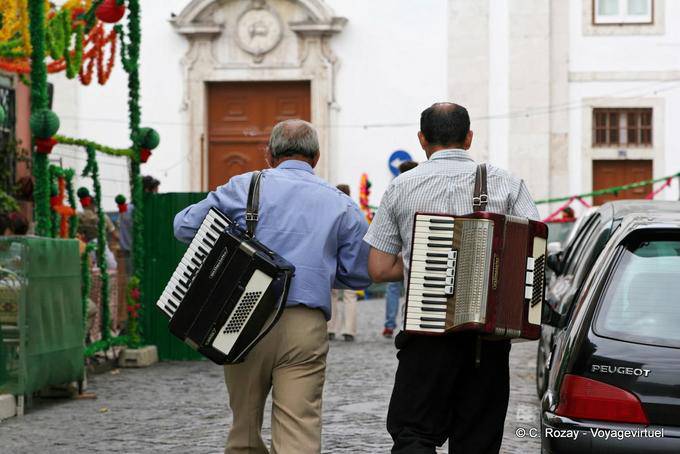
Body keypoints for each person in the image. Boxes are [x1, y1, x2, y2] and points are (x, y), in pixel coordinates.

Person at [173, 119, 371, 454]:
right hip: (304, 324)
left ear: (269, 155)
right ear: (317, 157)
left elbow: (184, 226)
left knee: (245, 431)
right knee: (299, 431)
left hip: (241, 318)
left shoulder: (245, 187)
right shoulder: (342, 203)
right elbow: (358, 274)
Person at [364, 103, 539, 454]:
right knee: (478, 440)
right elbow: (533, 255)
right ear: (469, 138)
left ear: (422, 140)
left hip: (425, 337)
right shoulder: (508, 183)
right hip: (486, 341)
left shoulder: (401, 186)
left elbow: (380, 269)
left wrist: (423, 264)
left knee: (414, 433)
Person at [382, 160, 418, 338]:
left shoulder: (394, 190)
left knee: (393, 289)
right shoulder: (421, 191)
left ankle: (389, 325)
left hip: (397, 252)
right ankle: (412, 323)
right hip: (417, 250)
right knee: (414, 288)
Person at [327, 184, 359, 342]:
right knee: (350, 295)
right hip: (351, 256)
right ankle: (349, 330)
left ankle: (330, 328)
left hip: (333, 253)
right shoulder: (354, 209)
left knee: (331, 293)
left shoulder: (331, 208)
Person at [118, 175, 160, 274]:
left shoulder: (127, 209)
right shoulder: (137, 211)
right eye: (155, 192)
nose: (156, 195)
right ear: (146, 191)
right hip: (137, 255)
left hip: (130, 254)